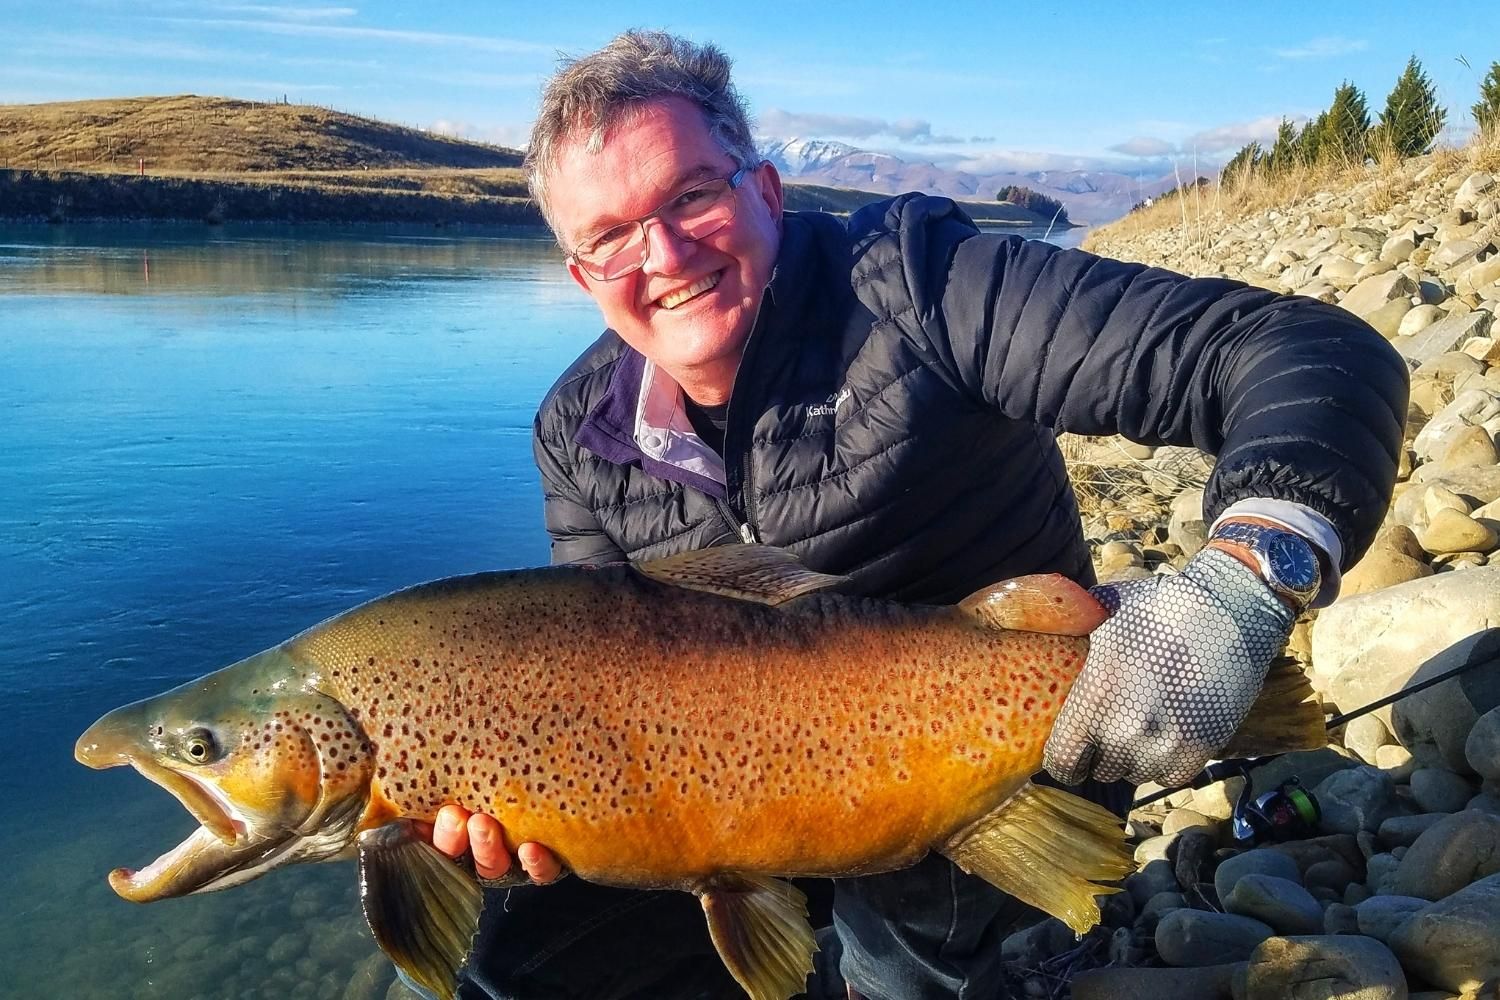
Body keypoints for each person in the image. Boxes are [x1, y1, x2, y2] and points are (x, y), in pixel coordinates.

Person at [425, 30, 1408, 1000]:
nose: (666, 252)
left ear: (764, 191)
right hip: (725, 774)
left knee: (903, 959)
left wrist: (1242, 579)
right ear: (582, 275)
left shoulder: (922, 283)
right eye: (610, 235)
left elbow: (1296, 349)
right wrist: (533, 805)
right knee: (524, 960)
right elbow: (602, 664)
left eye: (692, 194)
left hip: (1002, 750)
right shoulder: (575, 428)